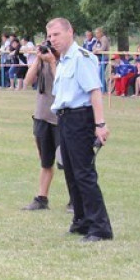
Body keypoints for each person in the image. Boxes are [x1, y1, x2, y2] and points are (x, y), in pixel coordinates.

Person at [47, 17, 113, 242]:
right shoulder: (63, 60)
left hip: (80, 119)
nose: (52, 40)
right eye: (49, 36)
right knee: (71, 173)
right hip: (65, 119)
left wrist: (100, 124)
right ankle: (82, 220)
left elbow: (94, 91)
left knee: (84, 173)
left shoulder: (81, 58)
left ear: (69, 32)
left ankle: (100, 227)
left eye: (56, 34)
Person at [20, 41, 68, 211]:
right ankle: (41, 198)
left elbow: (62, 84)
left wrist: (52, 62)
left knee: (67, 162)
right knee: (45, 161)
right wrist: (38, 60)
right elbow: (27, 80)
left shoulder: (65, 61)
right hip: (42, 117)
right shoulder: (42, 62)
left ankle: (75, 199)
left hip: (60, 119)